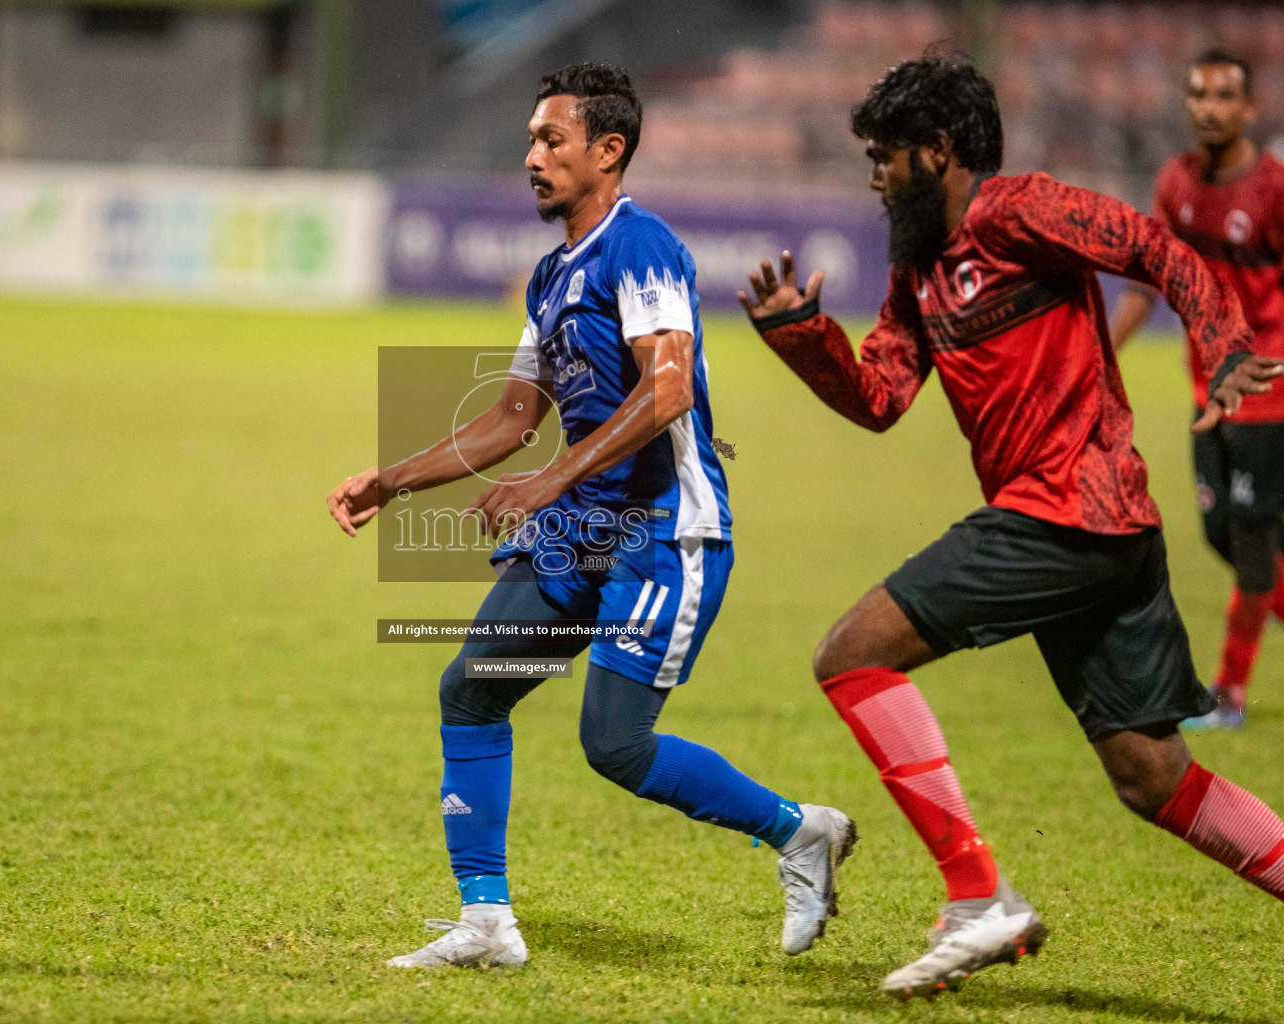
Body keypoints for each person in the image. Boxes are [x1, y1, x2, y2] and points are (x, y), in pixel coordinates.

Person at [739, 53, 1284, 1000]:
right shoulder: (917, 267)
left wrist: (1227, 341)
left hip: (1065, 511)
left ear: (938, 151)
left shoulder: (1020, 209)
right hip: (1104, 534)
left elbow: (1156, 249)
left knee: (852, 655)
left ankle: (975, 894)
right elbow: (878, 398)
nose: (874, 174)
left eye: (885, 155)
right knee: (1154, 780)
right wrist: (803, 337)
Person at [327, 62, 856, 969]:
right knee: (472, 689)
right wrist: (393, 482)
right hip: (580, 534)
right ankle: (486, 923)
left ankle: (797, 831)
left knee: (614, 744)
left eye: (551, 140)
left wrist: (548, 481)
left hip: (661, 532)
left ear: (607, 152)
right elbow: (509, 419)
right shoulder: (550, 275)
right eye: (532, 139)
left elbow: (669, 390)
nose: (532, 156)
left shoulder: (638, 245)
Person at [1109, 50, 1284, 729]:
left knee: (1250, 540)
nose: (1208, 106)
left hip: (1266, 390)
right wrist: (1101, 355)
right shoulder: (1176, 183)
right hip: (1205, 388)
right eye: (1198, 93)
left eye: (1223, 95)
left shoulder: (1272, 189)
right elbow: (1148, 279)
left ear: (1248, 108)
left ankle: (1230, 695)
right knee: (1223, 534)